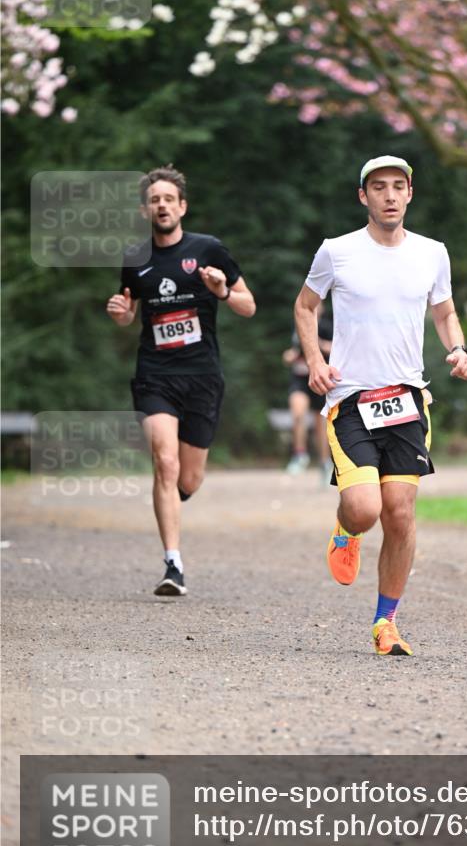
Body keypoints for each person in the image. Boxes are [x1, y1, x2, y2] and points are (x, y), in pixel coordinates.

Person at [294, 155, 467, 656]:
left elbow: (445, 311)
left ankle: (385, 623)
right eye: (379, 187)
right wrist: (314, 362)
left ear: (410, 194)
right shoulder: (337, 251)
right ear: (364, 196)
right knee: (365, 509)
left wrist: (457, 348)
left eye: (398, 186)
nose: (390, 195)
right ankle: (346, 528)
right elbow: (306, 306)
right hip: (350, 399)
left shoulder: (432, 253)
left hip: (407, 400)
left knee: (399, 513)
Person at [106, 165, 255, 596]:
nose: (162, 205)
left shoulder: (209, 250)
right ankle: (173, 564)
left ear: (182, 206)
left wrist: (223, 290)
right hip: (156, 375)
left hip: (202, 377)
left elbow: (249, 306)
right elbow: (127, 311)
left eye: (169, 199)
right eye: (155, 200)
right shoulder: (135, 258)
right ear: (145, 209)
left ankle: (171, 497)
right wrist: (121, 314)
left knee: (188, 479)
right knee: (164, 463)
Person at [282, 304, 333, 481]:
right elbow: (293, 351)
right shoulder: (298, 326)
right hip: (300, 378)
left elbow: (337, 349)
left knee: (321, 427)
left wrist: (318, 345)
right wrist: (289, 356)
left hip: (320, 378)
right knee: (297, 412)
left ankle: (325, 463)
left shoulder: (327, 327)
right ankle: (299, 454)